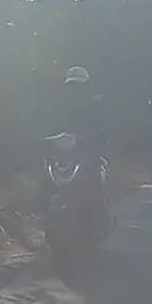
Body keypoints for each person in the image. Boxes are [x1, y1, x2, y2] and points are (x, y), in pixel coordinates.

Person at [56, 65, 109, 226]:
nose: (75, 89)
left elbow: (103, 128)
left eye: (78, 85)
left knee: (95, 177)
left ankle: (101, 218)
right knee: (49, 173)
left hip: (89, 150)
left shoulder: (96, 103)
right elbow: (53, 126)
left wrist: (91, 137)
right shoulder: (61, 105)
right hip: (67, 152)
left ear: (86, 85)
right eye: (72, 85)